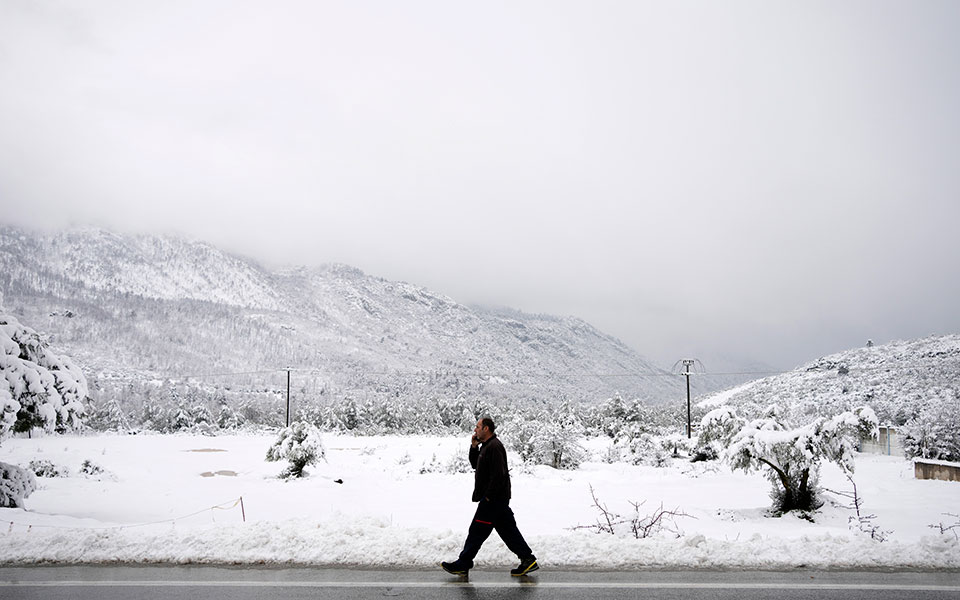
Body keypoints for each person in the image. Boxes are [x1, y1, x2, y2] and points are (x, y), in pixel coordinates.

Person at [441, 417, 538, 577]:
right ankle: (528, 559)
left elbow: (499, 475)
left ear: (486, 428)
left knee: (476, 532)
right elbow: (476, 465)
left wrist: (488, 497)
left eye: (478, 427)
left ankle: (463, 563)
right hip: (496, 500)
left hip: (493, 500)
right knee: (508, 531)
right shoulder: (486, 446)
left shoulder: (495, 447)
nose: (475, 430)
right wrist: (474, 447)